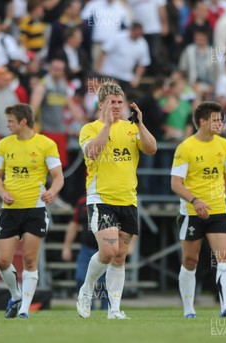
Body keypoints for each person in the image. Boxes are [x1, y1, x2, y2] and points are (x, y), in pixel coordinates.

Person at [76, 82, 157, 319]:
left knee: (120, 255)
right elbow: (93, 152)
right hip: (101, 198)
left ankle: (114, 309)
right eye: (112, 102)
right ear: (101, 104)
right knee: (109, 250)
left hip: (128, 199)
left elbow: (151, 149)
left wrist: (141, 124)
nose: (117, 106)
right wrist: (108, 126)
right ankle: (87, 289)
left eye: (120, 102)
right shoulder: (90, 128)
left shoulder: (132, 128)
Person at [170, 101, 226, 319]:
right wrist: (195, 201)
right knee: (190, 261)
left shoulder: (224, 145)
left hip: (219, 211)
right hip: (192, 213)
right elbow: (175, 183)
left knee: (225, 257)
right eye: (215, 119)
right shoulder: (186, 147)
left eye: (221, 119)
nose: (220, 123)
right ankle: (189, 310)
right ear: (202, 122)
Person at [0, 104, 65, 319]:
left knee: (30, 261)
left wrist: (52, 192)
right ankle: (16, 296)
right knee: (2, 261)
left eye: (11, 121)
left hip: (35, 210)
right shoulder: (4, 144)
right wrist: (2, 192)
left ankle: (24, 310)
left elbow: (58, 176)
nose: (7, 124)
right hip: (10, 210)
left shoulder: (46, 144)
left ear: (23, 121)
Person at [62, 196, 107, 310]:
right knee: (80, 277)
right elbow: (74, 224)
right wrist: (67, 247)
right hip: (87, 248)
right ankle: (87, 306)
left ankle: (107, 309)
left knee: (106, 282)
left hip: (106, 248)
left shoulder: (111, 199)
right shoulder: (83, 202)